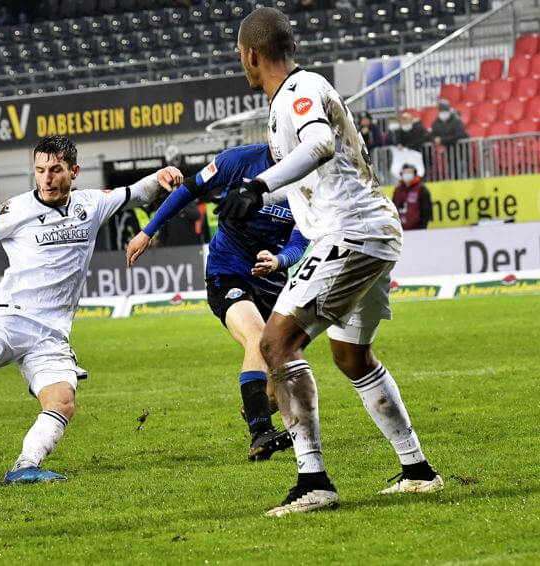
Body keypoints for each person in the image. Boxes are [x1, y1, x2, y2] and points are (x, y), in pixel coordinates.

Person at [218, 7, 443, 517]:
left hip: (351, 234)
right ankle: (417, 471)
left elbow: (319, 144)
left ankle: (313, 480)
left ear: (251, 55)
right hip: (370, 233)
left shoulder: (296, 93)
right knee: (350, 357)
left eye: (242, 56)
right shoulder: (301, 91)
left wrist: (259, 184)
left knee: (276, 341)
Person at [0, 135, 179, 484]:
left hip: (51, 334)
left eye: (55, 170)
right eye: (40, 170)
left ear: (74, 171)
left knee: (62, 401)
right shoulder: (15, 210)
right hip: (8, 319)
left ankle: (25, 466)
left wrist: (164, 175)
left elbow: (138, 192)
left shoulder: (92, 204)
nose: (47, 178)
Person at [127, 143, 309, 461]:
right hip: (228, 273)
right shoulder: (238, 161)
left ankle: (258, 406)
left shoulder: (309, 180)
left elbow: (299, 242)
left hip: (273, 282)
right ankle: (260, 434)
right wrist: (148, 230)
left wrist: (279, 261)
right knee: (258, 338)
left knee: (284, 368)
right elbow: (189, 190)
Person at [393, 164, 432, 230]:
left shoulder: (421, 189)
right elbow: (393, 209)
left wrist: (423, 227)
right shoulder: (397, 190)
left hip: (417, 229)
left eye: (409, 172)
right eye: (404, 173)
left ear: (414, 174)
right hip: (401, 230)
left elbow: (426, 210)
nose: (407, 175)